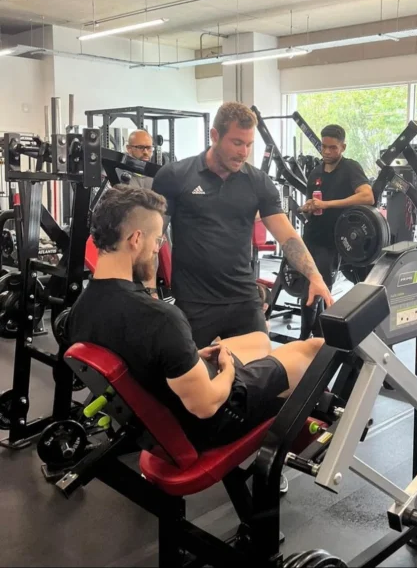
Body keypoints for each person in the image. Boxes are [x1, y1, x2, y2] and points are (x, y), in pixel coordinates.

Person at [67, 185, 324, 453]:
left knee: (260, 339)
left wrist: (190, 357)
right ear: (136, 239)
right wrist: (229, 371)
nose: (157, 249)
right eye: (157, 241)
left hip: (168, 400)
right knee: (313, 349)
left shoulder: (80, 311)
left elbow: (141, 358)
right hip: (210, 419)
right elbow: (206, 405)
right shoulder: (161, 318)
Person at [152, 102, 333, 348]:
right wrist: (149, 291)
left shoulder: (258, 183)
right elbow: (153, 238)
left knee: (260, 375)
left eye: (249, 145)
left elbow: (287, 236)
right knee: (192, 382)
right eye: (237, 143)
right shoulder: (175, 176)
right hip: (194, 303)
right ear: (214, 135)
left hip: (243, 298)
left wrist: (314, 276)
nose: (244, 152)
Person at [299, 125, 374, 338]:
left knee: (315, 290)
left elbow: (367, 197)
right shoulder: (315, 172)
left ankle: (304, 338)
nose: (327, 152)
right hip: (312, 237)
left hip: (335, 240)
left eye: (333, 147)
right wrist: (309, 207)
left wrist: (328, 204)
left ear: (343, 147)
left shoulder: (350, 168)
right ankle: (319, 337)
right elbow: (314, 201)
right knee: (310, 287)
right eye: (324, 147)